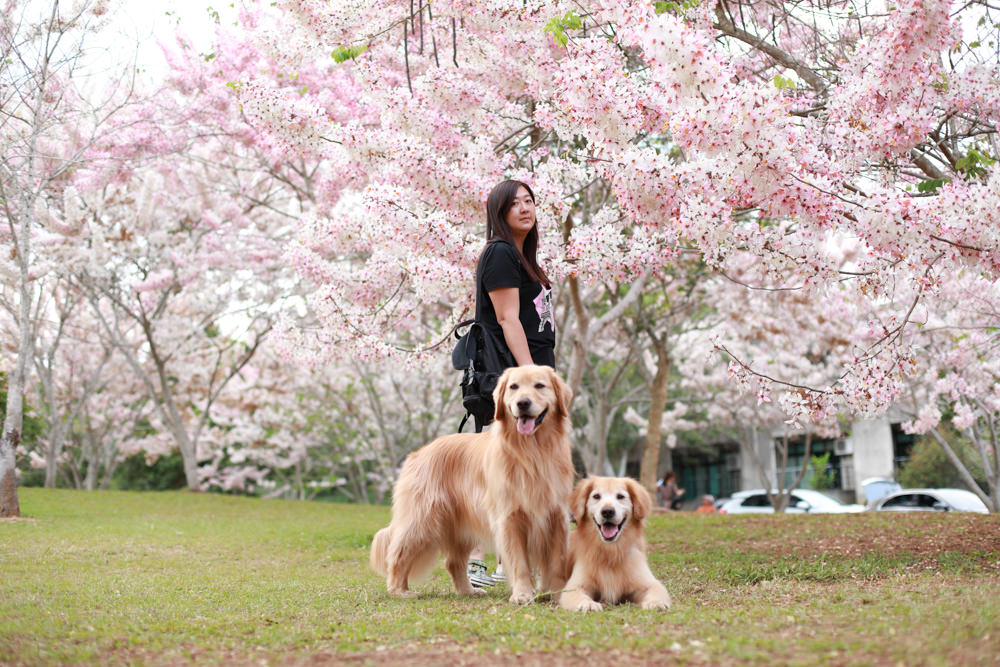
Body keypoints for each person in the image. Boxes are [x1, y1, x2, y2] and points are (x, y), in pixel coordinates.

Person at [467, 179, 557, 589]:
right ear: (498, 212)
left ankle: (508, 562)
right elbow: (507, 320)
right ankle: (477, 562)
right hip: (512, 378)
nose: (524, 208)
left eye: (529, 201)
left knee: (520, 471)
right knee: (498, 470)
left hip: (527, 375)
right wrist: (530, 379)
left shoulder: (523, 258)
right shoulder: (501, 254)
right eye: (514, 203)